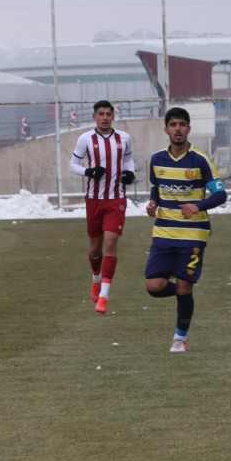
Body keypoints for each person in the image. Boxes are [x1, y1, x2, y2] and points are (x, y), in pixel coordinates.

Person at [143, 107, 227, 353]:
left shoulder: (200, 159)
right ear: (166, 129)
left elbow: (221, 194)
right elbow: (157, 186)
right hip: (164, 232)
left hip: (193, 234)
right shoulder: (157, 159)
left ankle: (179, 338)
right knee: (154, 287)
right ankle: (183, 292)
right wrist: (153, 202)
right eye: (173, 124)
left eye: (182, 124)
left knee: (184, 286)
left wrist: (198, 205)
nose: (177, 129)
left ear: (189, 129)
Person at [70, 100, 135, 314]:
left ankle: (104, 297)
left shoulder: (124, 138)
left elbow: (128, 160)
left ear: (113, 116)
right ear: (94, 116)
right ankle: (96, 279)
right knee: (95, 249)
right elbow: (73, 164)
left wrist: (129, 173)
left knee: (110, 244)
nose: (105, 117)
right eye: (101, 114)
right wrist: (88, 172)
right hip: (94, 199)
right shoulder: (85, 139)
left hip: (117, 199)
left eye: (108, 114)